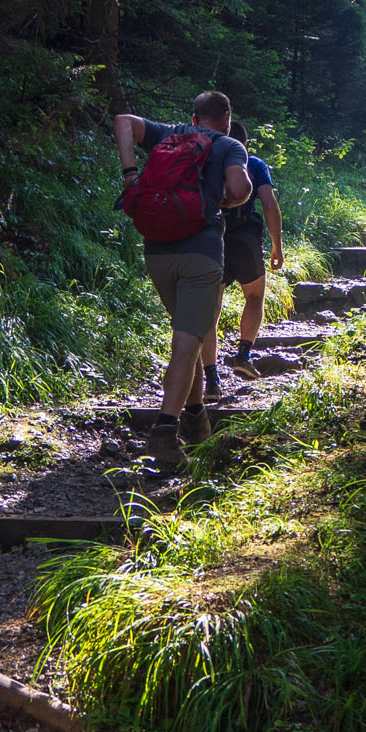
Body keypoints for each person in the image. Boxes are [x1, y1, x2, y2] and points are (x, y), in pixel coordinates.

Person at [113, 91, 250, 466]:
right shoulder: (229, 146)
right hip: (200, 254)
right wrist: (227, 201)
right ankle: (163, 435)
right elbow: (240, 189)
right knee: (186, 345)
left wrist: (130, 176)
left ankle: (196, 419)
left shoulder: (168, 134)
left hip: (157, 252)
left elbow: (122, 120)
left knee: (187, 337)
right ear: (226, 117)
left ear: (194, 117)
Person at [202, 136, 283, 393]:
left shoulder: (204, 163)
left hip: (211, 239)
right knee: (255, 295)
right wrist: (276, 244)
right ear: (244, 143)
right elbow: (269, 204)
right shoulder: (255, 164)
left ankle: (211, 378)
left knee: (211, 310)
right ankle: (244, 354)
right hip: (245, 240)